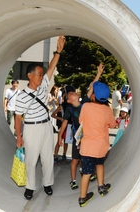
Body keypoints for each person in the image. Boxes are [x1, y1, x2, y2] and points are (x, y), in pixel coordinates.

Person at [14, 35, 65, 200]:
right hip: (31, 128)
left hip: (46, 126)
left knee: (47, 157)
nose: (42, 77)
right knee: (31, 159)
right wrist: (19, 137)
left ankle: (47, 184)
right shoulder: (21, 96)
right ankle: (30, 187)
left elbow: (51, 67)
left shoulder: (43, 86)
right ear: (30, 75)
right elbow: (17, 118)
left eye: (42, 74)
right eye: (39, 74)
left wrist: (58, 51)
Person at [57, 63, 104, 191]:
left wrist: (98, 73)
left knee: (88, 156)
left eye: (73, 91)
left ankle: (87, 172)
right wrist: (60, 137)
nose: (73, 92)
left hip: (88, 137)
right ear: (68, 100)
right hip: (78, 138)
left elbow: (92, 88)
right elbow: (65, 123)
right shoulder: (70, 110)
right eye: (70, 93)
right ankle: (73, 180)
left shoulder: (84, 102)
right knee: (75, 159)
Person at [78, 81, 116, 207]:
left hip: (87, 147)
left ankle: (83, 198)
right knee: (100, 164)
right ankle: (101, 187)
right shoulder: (107, 110)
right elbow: (113, 124)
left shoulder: (86, 107)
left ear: (93, 96)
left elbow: (80, 120)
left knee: (87, 173)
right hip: (100, 147)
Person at [51, 85, 75, 165]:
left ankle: (64, 155)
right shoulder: (61, 106)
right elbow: (53, 115)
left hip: (69, 125)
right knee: (59, 140)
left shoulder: (73, 106)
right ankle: (55, 156)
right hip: (62, 125)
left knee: (66, 141)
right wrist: (60, 119)